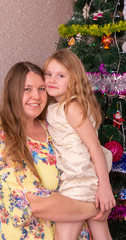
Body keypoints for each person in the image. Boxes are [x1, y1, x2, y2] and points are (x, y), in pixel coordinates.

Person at [0, 61, 109, 240]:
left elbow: (85, 160)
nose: (36, 96)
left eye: (41, 88)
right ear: (12, 92)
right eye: (27, 89)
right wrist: (96, 207)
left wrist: (103, 190)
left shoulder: (51, 126)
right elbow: (35, 203)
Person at [42, 49, 116, 240]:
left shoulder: (71, 106)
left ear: (73, 79)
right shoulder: (57, 107)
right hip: (83, 180)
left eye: (60, 75)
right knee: (102, 236)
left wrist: (105, 188)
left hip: (79, 182)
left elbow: (94, 147)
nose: (51, 80)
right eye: (48, 74)